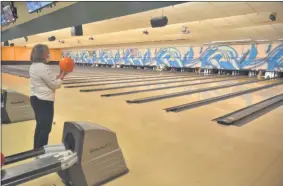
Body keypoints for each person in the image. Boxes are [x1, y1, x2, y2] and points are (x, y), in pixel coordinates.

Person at [29, 44, 68, 149]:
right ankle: (41, 152)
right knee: (46, 129)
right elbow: (55, 85)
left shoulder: (33, 65)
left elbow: (47, 80)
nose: (49, 54)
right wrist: (64, 75)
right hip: (44, 101)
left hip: (35, 99)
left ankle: (36, 150)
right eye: (47, 52)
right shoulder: (43, 67)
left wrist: (59, 75)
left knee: (40, 126)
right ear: (42, 54)